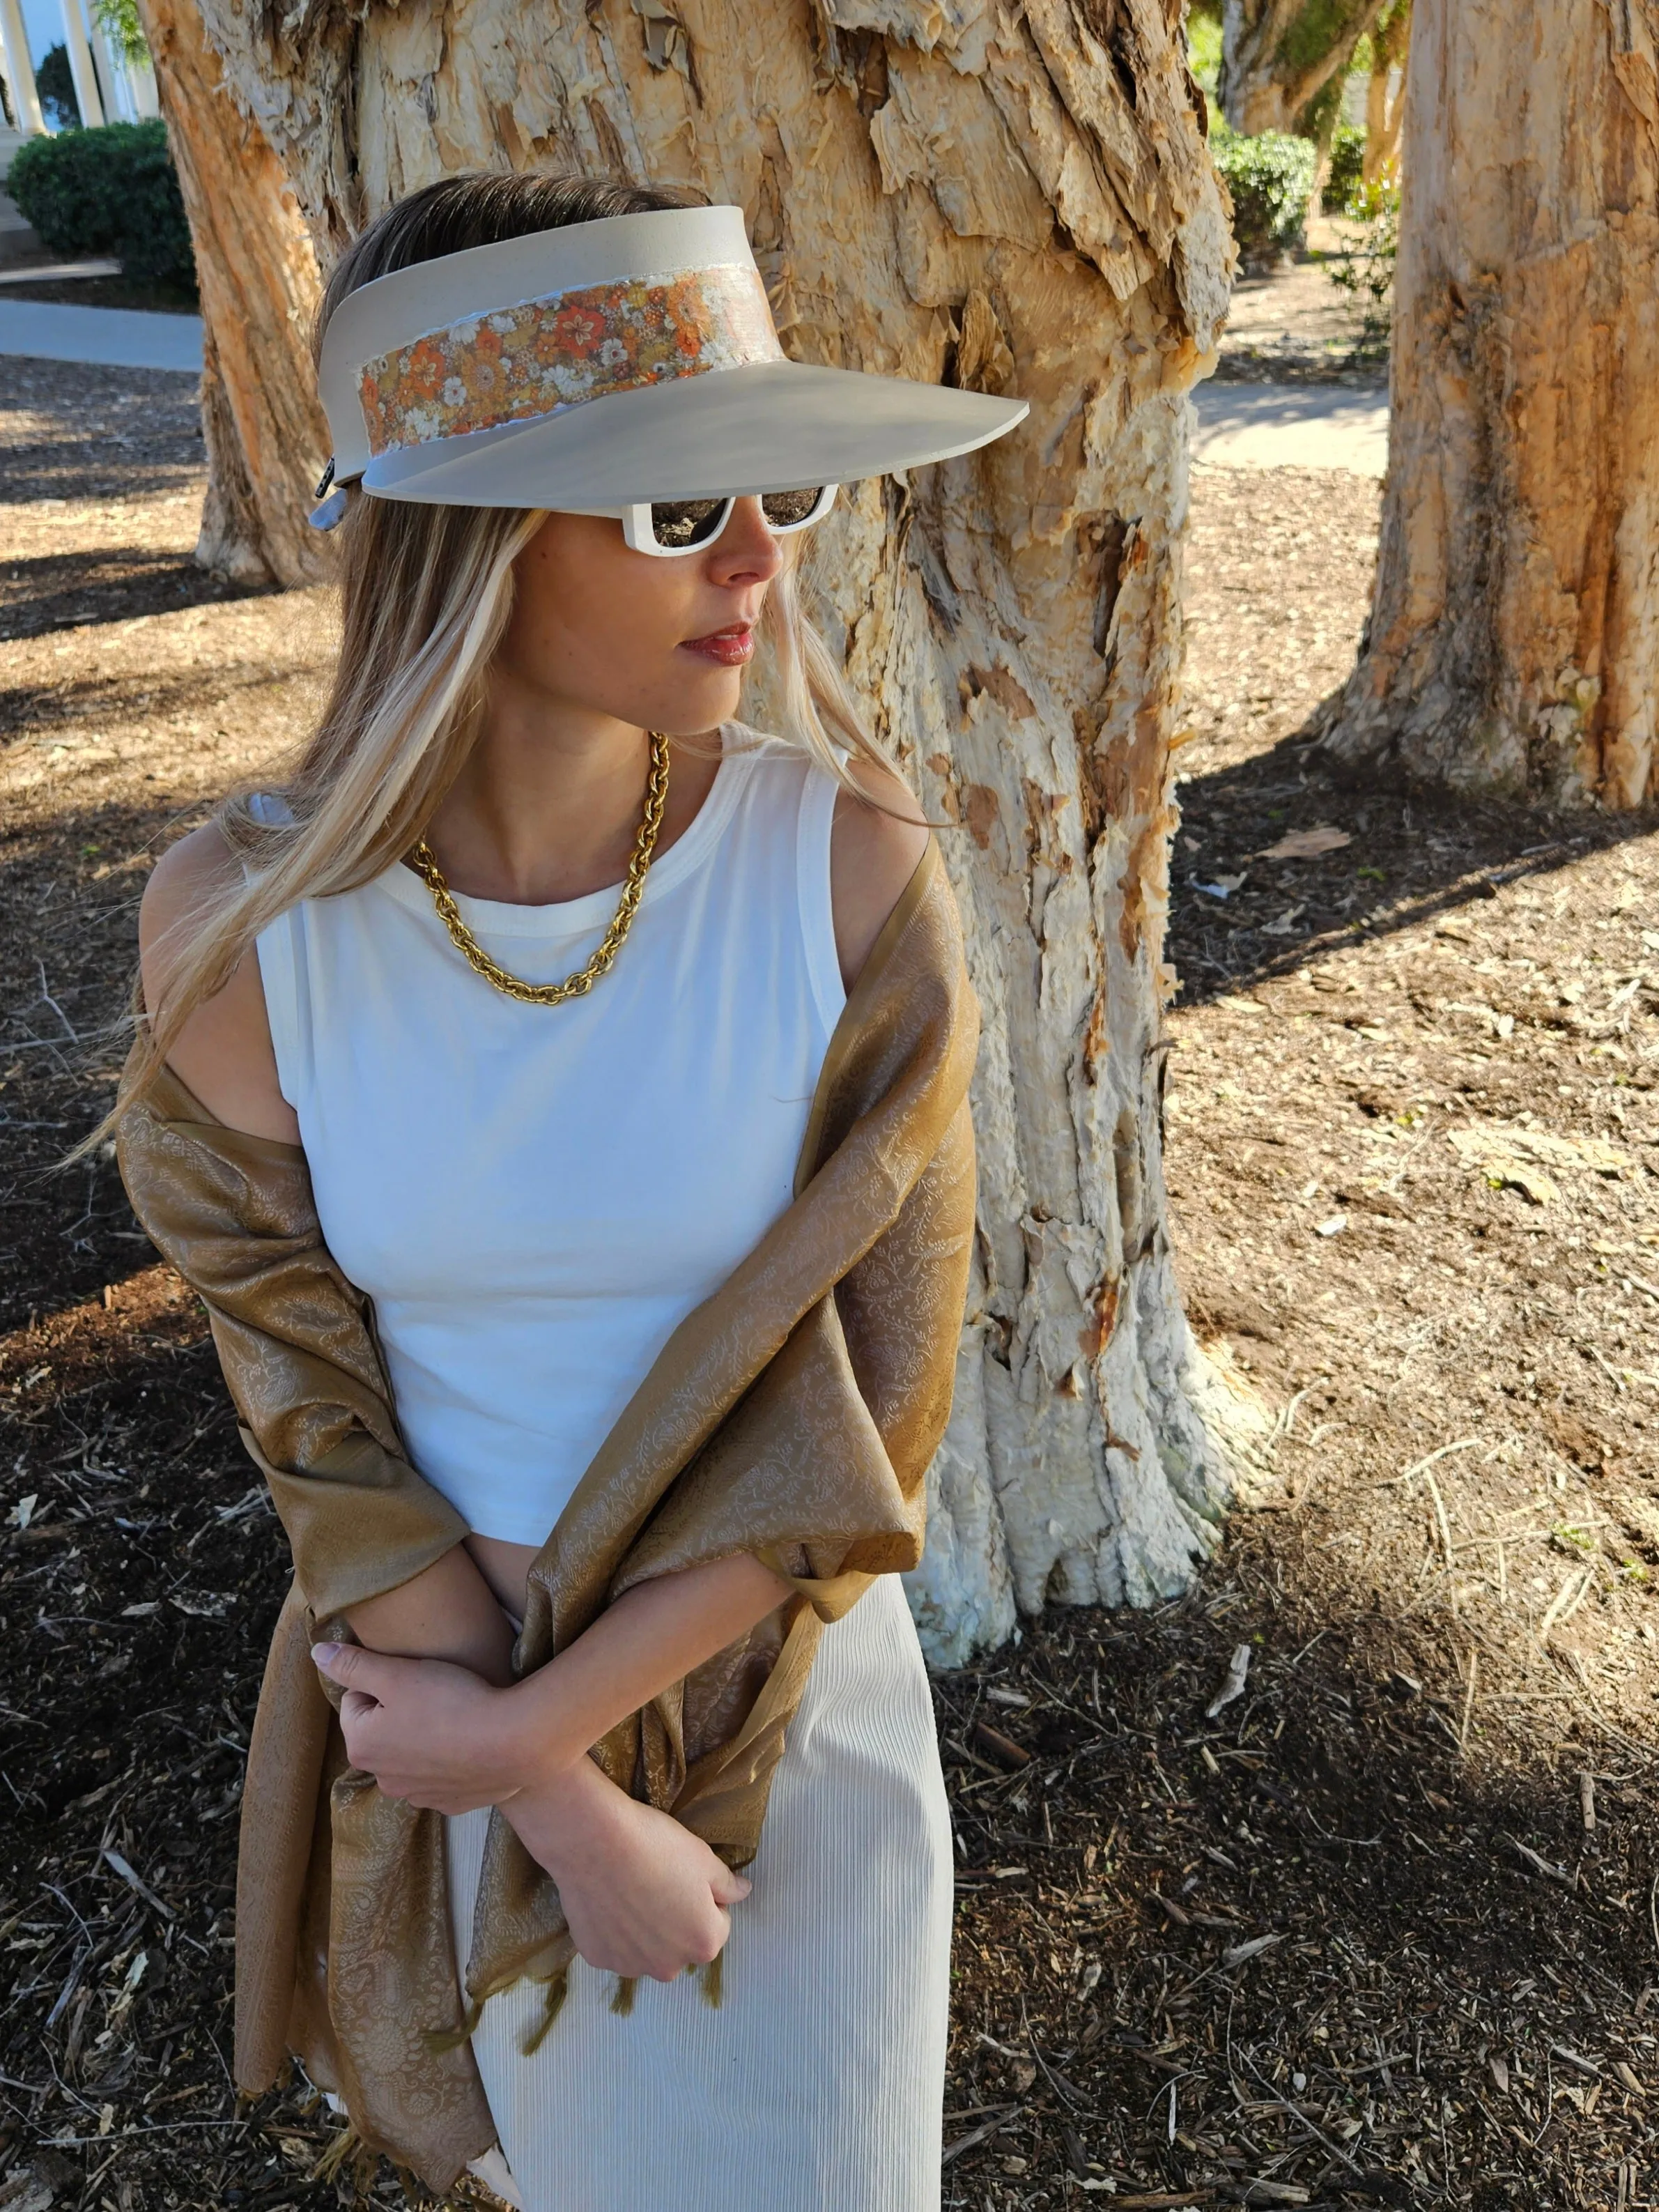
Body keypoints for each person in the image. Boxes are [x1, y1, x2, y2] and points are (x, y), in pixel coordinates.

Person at [109, 171, 1026, 2211]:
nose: (762, 563)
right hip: (437, 1700)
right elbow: (313, 1411)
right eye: (678, 505)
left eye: (772, 489)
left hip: (773, 1709)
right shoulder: (246, 933)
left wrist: (540, 1745)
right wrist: (540, 1790)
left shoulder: (845, 870)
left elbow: (873, 1413)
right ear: (466, 534)